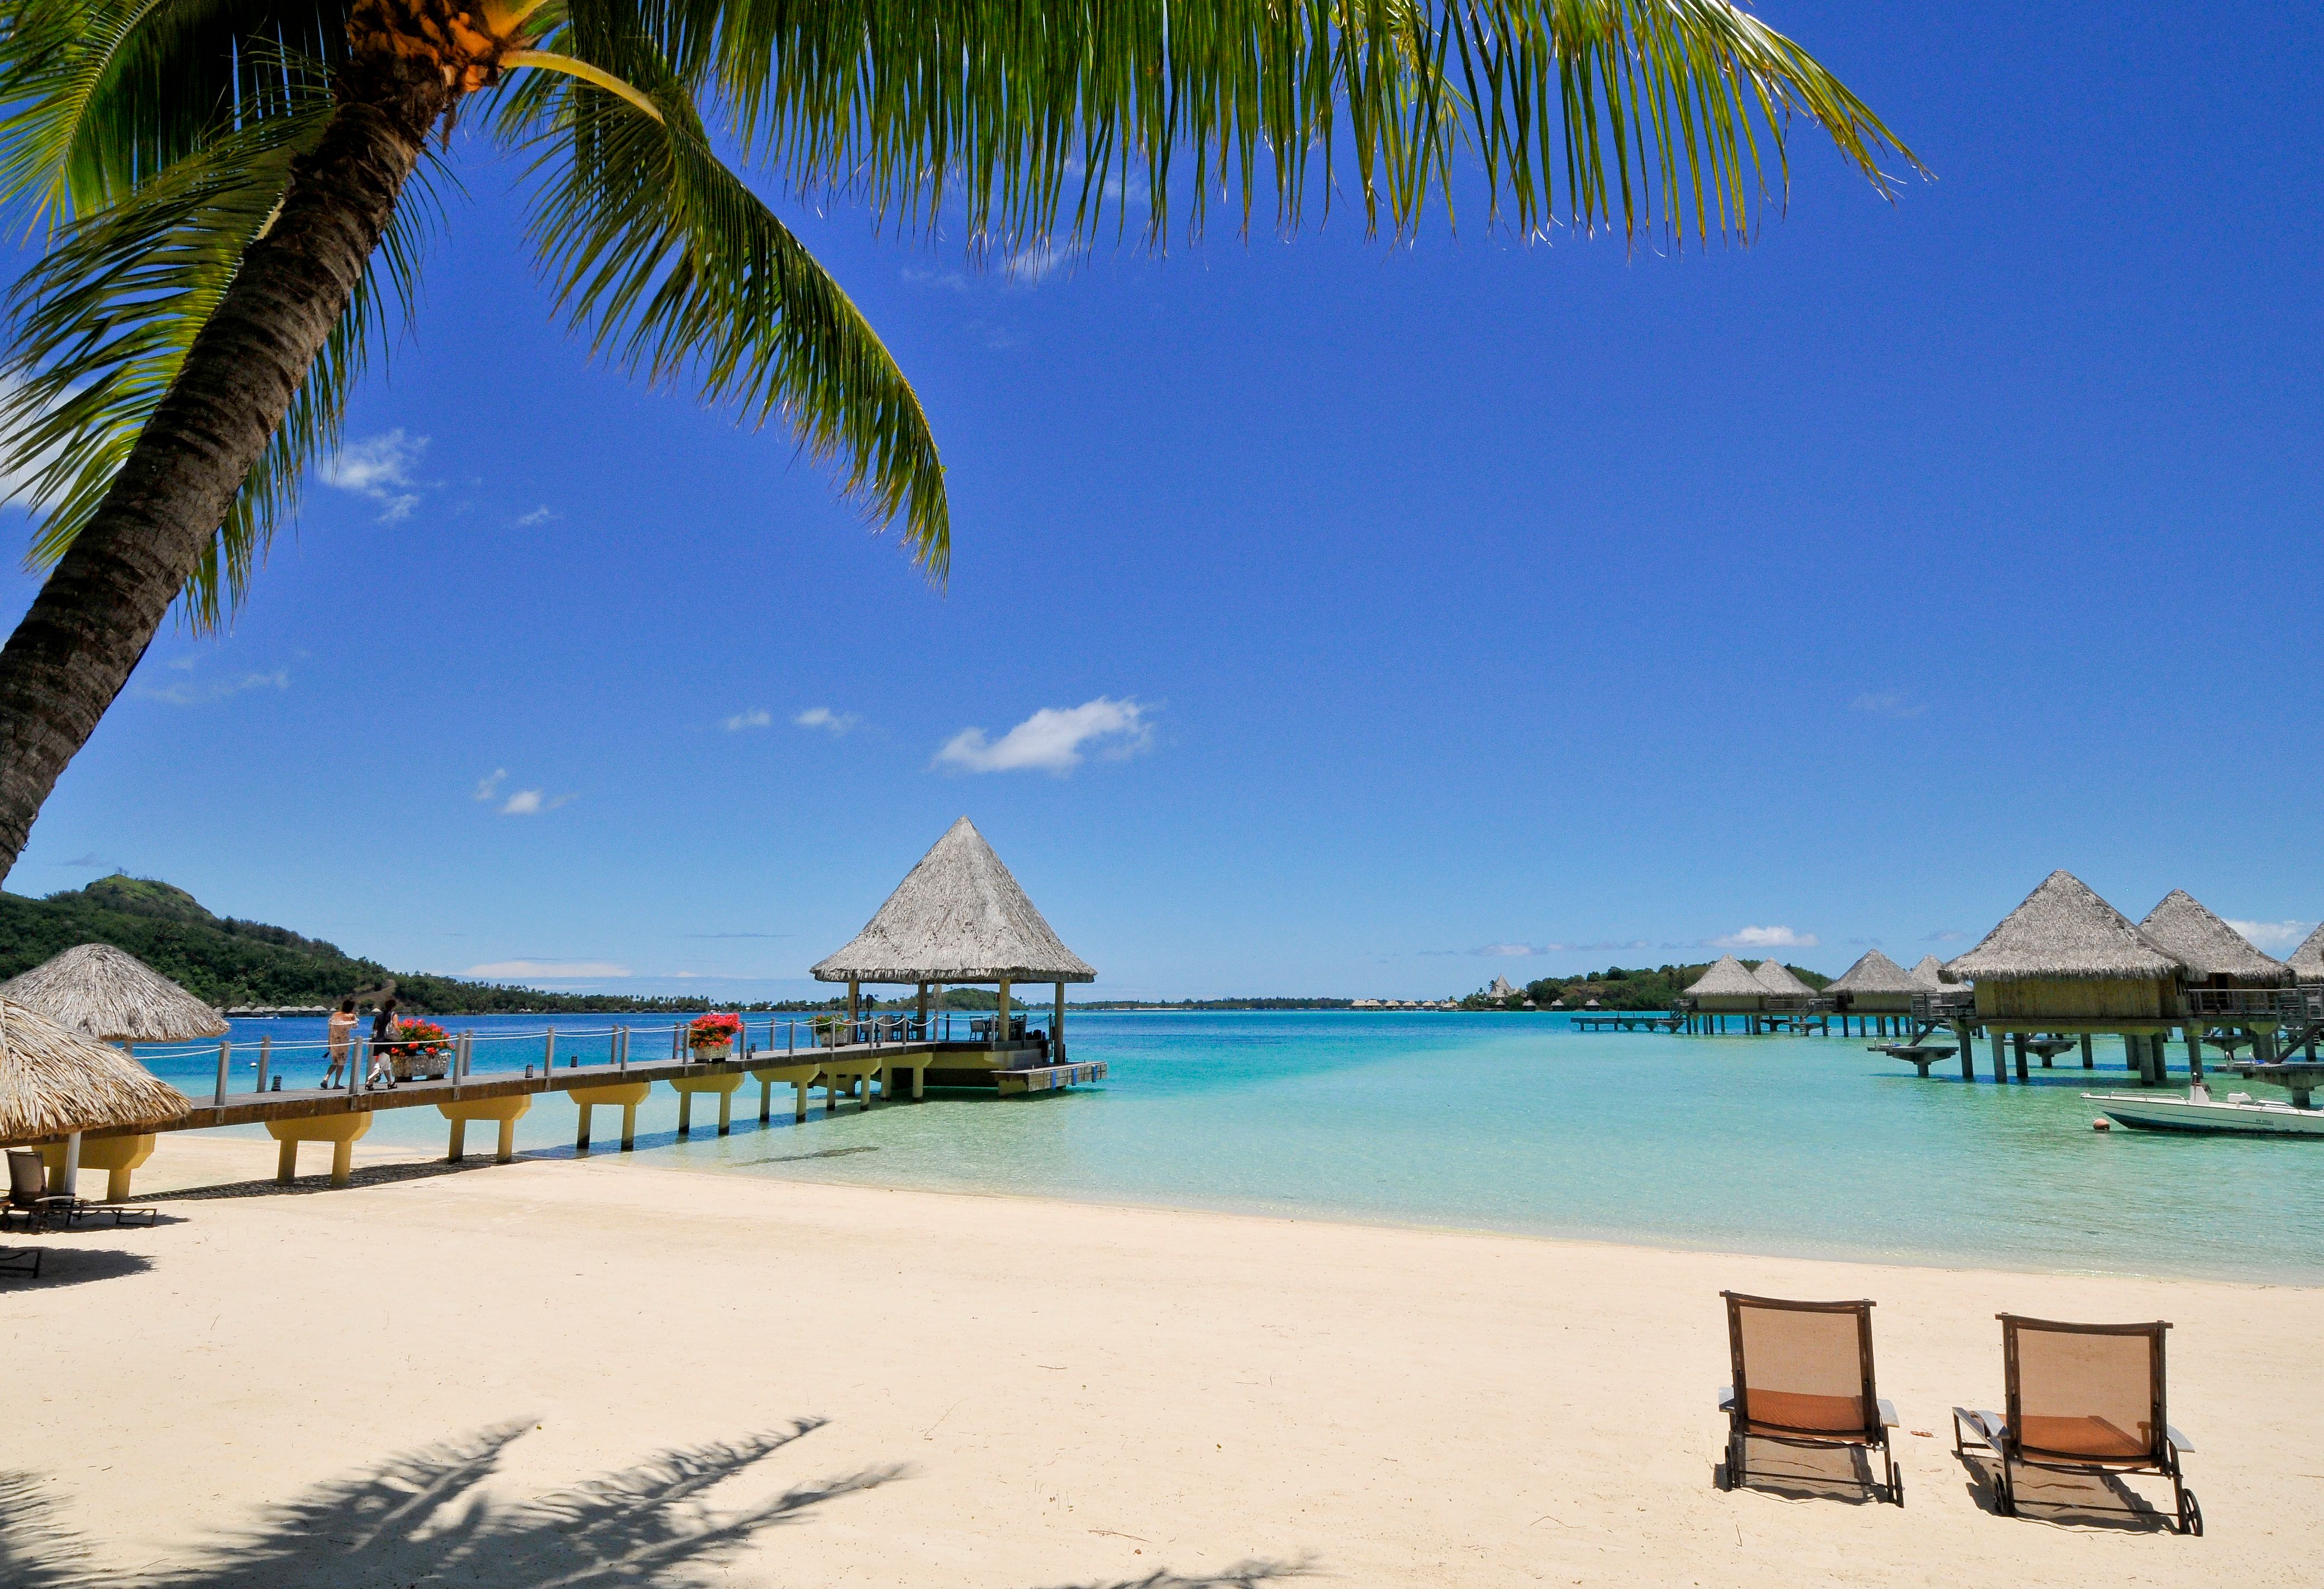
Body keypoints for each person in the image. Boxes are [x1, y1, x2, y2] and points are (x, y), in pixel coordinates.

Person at [366, 997, 400, 1089]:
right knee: (380, 1064)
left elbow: (375, 1028)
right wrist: (401, 1034)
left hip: (378, 1040)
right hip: (387, 1041)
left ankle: (390, 1082)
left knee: (386, 1063)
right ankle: (369, 1081)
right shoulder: (393, 1015)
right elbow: (396, 1026)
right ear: (394, 1006)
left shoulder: (378, 1016)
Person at [323, 999, 357, 1089]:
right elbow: (355, 1026)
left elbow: (330, 1029)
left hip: (333, 1041)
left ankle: (326, 1078)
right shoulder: (351, 1016)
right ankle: (336, 1084)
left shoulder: (335, 1015)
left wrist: (329, 1043)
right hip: (343, 1043)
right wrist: (353, 1014)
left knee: (334, 1062)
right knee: (341, 1063)